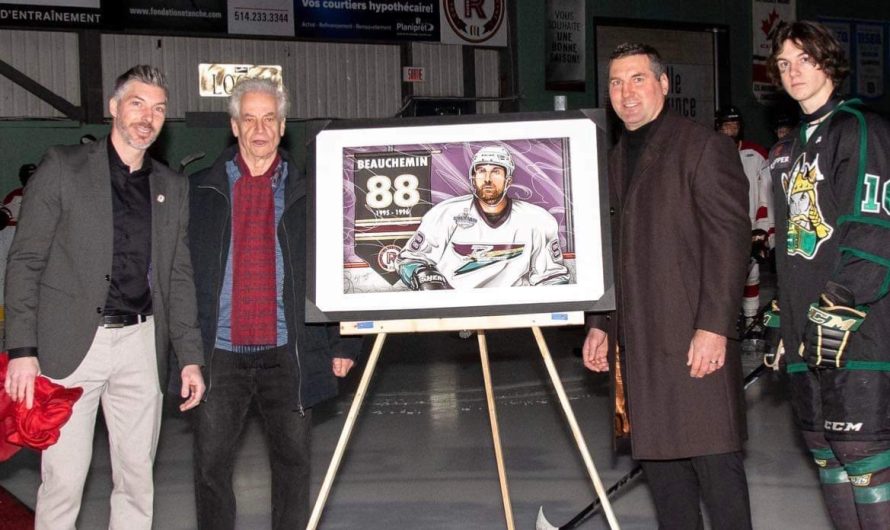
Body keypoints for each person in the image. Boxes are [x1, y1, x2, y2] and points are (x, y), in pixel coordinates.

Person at [2, 65, 205, 530]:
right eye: (137, 103)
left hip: (141, 346)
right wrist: (23, 351)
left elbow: (178, 276)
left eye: (158, 109)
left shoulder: (171, 187)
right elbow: (25, 261)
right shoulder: (63, 166)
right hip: (71, 347)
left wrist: (189, 356)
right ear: (114, 107)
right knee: (63, 483)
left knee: (136, 483)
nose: (147, 117)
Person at [582, 43, 753, 529]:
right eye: (616, 82)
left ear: (664, 84)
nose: (626, 92)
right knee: (665, 481)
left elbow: (729, 243)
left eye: (638, 79)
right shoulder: (612, 160)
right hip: (639, 349)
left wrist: (714, 327)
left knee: (717, 471)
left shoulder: (703, 147)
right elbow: (607, 253)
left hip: (694, 342)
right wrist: (600, 324)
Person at [188, 77, 361, 530]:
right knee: (210, 470)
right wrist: (184, 352)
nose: (259, 128)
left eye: (269, 119)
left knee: (293, 469)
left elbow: (344, 265)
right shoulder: (200, 193)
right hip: (219, 353)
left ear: (283, 127)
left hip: (290, 352)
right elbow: (179, 277)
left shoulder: (314, 195)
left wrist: (344, 343)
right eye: (249, 118)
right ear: (234, 125)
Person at [767, 20, 890, 529]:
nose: (793, 72)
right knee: (828, 456)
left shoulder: (860, 130)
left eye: (804, 60)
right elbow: (792, 251)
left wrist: (837, 305)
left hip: (854, 332)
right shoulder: (784, 152)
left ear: (829, 64)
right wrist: (783, 315)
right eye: (783, 64)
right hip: (805, 334)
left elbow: (875, 232)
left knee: (863, 461)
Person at [397, 144, 570, 290]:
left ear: (508, 180)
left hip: (512, 316)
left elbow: (552, 277)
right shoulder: (445, 214)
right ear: (473, 178)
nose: (487, 179)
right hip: (453, 312)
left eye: (495, 171)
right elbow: (409, 260)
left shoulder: (537, 220)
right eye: (481, 171)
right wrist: (423, 275)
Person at [715, 106, 775, 333]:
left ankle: (751, 321)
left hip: (749, 225)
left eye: (734, 124)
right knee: (724, 277)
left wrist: (763, 228)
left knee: (752, 272)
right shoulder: (709, 152)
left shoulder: (756, 153)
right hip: (721, 226)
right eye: (726, 124)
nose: (731, 128)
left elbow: (765, 193)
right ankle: (725, 322)